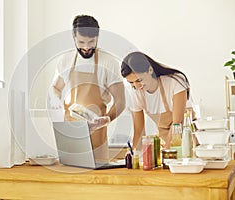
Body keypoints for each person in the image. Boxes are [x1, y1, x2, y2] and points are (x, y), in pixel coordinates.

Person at [49, 15, 125, 160]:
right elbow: (55, 88)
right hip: (70, 134)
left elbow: (120, 101)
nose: (86, 47)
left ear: (97, 37)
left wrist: (107, 119)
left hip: (97, 133)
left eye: (91, 42)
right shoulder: (65, 60)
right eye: (81, 42)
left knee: (97, 180)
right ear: (73, 37)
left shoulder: (108, 62)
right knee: (69, 178)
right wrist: (55, 100)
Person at [121, 51, 192, 149]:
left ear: (150, 70)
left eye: (139, 80)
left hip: (187, 138)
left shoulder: (174, 82)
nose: (137, 86)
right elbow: (139, 131)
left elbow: (177, 123)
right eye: (131, 83)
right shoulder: (136, 93)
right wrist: (135, 155)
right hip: (165, 140)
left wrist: (167, 151)